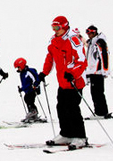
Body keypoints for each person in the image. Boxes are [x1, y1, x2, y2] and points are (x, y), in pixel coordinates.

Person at [39, 16, 87, 147]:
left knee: (73, 109)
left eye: (57, 27)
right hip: (62, 83)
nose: (55, 30)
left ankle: (80, 137)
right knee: (61, 108)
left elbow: (82, 61)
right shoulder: (54, 40)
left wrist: (73, 74)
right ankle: (66, 134)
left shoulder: (73, 40)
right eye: (53, 27)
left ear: (64, 26)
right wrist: (44, 72)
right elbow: (50, 57)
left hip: (74, 82)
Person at [85, 26, 111, 118]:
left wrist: (105, 71)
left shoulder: (100, 42)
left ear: (94, 32)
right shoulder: (91, 42)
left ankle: (101, 112)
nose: (88, 34)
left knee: (98, 93)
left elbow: (104, 55)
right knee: (94, 93)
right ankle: (100, 112)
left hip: (98, 71)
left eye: (90, 33)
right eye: (87, 33)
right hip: (92, 71)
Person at [14, 58, 41, 123]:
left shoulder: (29, 72)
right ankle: (33, 115)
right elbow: (25, 84)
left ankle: (33, 112)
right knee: (26, 99)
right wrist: (21, 89)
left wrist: (35, 86)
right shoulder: (22, 73)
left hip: (32, 89)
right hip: (27, 90)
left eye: (18, 67)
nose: (18, 69)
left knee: (29, 100)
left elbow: (36, 79)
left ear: (22, 65)